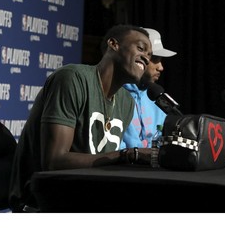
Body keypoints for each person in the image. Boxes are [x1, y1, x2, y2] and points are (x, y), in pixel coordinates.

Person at [9, 24, 153, 212]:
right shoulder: (72, 78)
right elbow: (54, 162)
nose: (146, 58)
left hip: (85, 194)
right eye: (141, 48)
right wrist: (124, 155)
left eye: (149, 56)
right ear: (113, 44)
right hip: (40, 200)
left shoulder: (126, 102)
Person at [121, 28, 177, 148]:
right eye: (155, 59)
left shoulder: (157, 96)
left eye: (161, 60)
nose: (160, 67)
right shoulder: (114, 94)